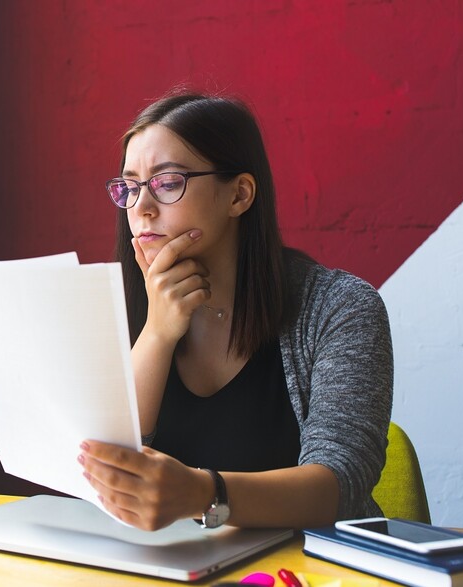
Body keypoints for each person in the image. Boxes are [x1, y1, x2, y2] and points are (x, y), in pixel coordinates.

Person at [77, 91, 393, 531]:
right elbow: (99, 467)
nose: (142, 209)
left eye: (168, 183)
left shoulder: (339, 308)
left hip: (305, 570)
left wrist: (204, 494)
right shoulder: (118, 308)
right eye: (129, 188)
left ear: (239, 195)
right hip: (162, 570)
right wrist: (157, 333)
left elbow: (341, 485)